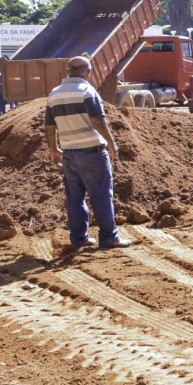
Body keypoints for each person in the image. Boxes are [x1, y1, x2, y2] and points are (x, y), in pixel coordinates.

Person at [44, 56, 131, 250]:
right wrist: (111, 143)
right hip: (92, 152)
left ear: (68, 72)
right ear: (87, 71)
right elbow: (98, 120)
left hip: (68, 153)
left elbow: (49, 126)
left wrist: (53, 149)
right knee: (101, 195)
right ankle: (108, 237)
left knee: (74, 198)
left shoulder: (54, 94)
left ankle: (79, 238)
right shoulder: (86, 91)